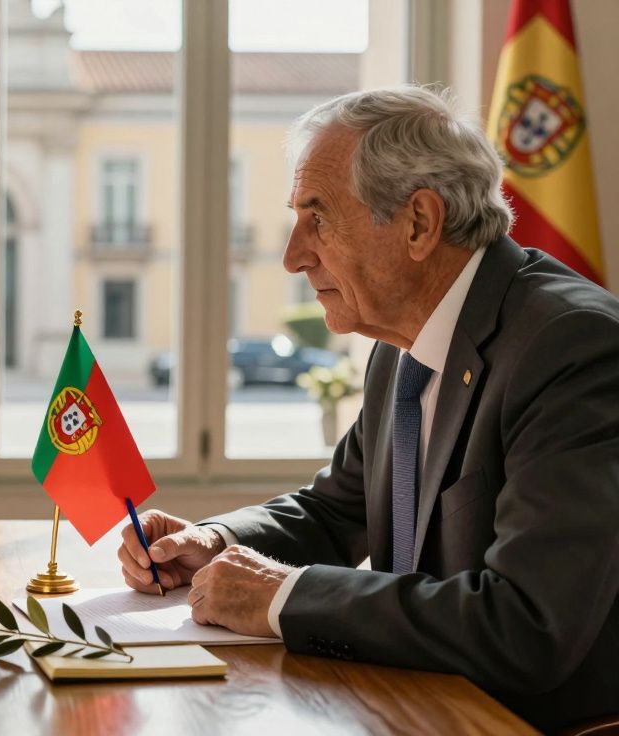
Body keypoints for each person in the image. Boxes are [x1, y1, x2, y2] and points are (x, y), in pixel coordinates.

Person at [119, 86, 618, 732]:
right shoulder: (403, 341)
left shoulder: (571, 348)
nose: (293, 255)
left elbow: (524, 626)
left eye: (317, 218)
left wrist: (282, 595)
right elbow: (337, 508)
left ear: (417, 223)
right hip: (417, 707)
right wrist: (217, 543)